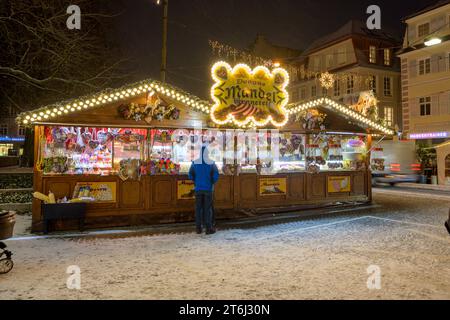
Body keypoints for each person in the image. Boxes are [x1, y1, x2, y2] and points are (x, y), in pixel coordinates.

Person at [189, 145, 219, 235]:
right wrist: (211, 181)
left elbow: (190, 175)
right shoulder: (211, 163)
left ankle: (198, 228)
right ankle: (208, 228)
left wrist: (196, 181)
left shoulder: (195, 162)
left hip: (198, 189)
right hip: (208, 189)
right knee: (207, 209)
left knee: (198, 209)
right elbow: (216, 175)